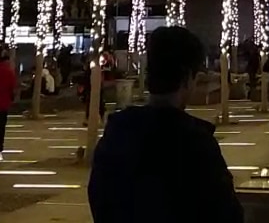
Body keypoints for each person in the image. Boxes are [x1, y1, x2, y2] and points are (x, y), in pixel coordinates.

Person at [87, 25, 242, 223]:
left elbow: (99, 200)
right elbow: (226, 213)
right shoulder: (196, 146)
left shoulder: (116, 136)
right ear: (187, 78)